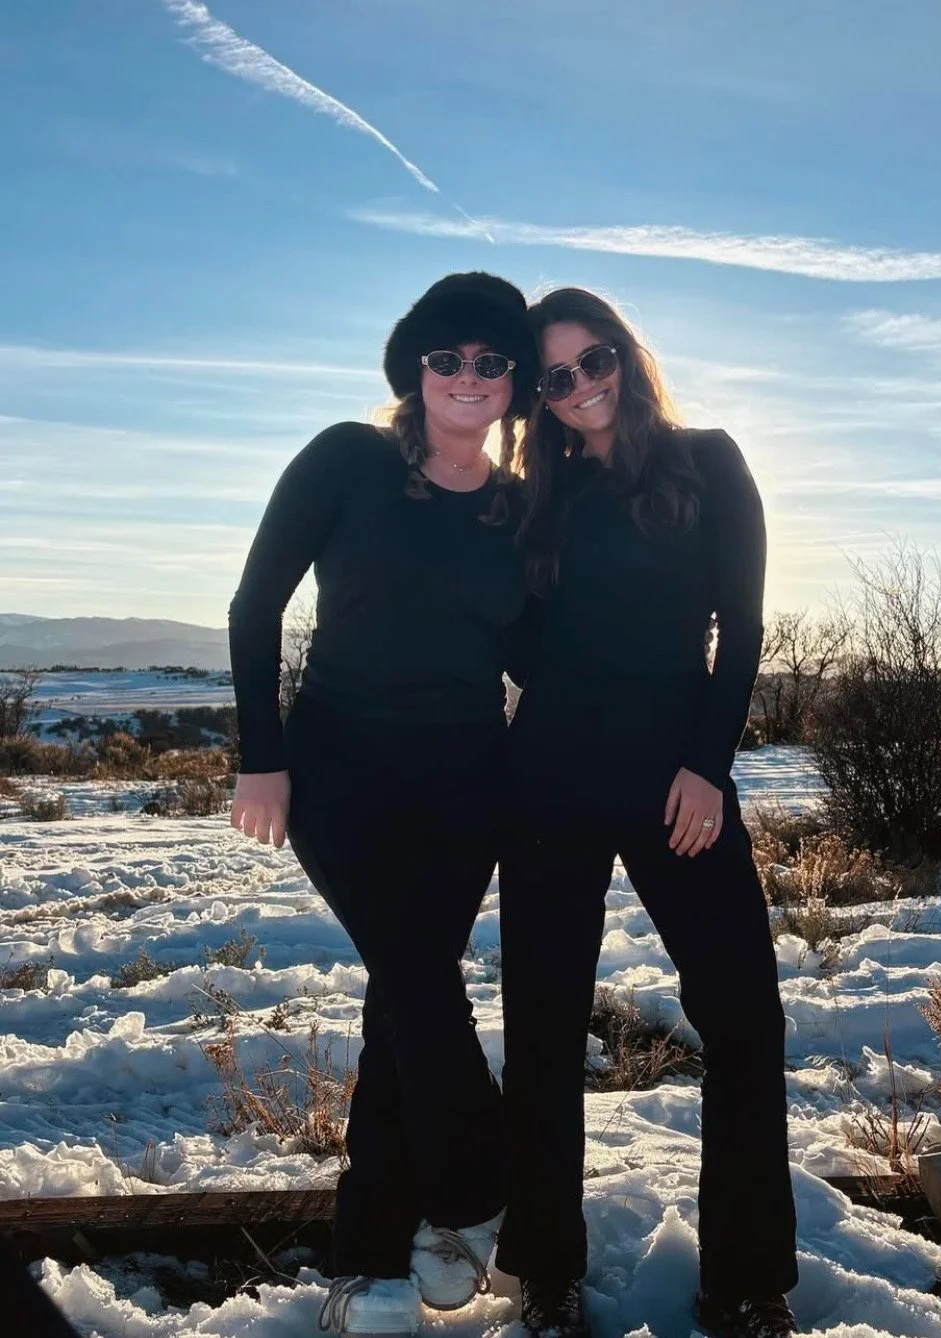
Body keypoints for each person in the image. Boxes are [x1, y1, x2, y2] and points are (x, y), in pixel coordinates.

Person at [227, 273, 536, 1338]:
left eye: (490, 361)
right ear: (415, 368)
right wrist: (260, 759)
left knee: (402, 999)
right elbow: (255, 603)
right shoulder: (347, 461)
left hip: (466, 777)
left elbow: (538, 654)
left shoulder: (518, 509)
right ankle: (479, 1187)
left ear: (513, 382)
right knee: (417, 977)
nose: (466, 376)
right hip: (339, 766)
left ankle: (370, 1259)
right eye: (446, 357)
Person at [497, 289, 799, 1338]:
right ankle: (545, 1274)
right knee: (542, 1024)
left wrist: (705, 765)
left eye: (596, 359)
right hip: (551, 778)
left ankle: (746, 1283)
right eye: (557, 377)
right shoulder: (538, 499)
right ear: (540, 398)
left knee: (745, 1016)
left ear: (626, 355)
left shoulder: (707, 461)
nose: (582, 386)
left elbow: (742, 625)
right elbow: (516, 638)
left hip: (679, 782)